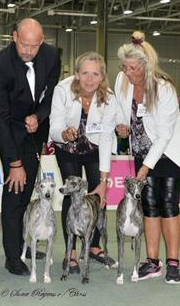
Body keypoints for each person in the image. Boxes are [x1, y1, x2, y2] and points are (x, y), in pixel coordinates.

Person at [114, 31, 180, 285]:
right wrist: (121, 125)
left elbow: (164, 135)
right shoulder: (121, 80)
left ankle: (173, 263)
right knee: (148, 204)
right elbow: (120, 108)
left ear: (146, 66)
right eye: (124, 67)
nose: (128, 73)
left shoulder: (164, 89)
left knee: (168, 202)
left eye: (133, 68)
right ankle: (153, 262)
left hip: (171, 150)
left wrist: (147, 167)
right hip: (141, 147)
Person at [0, 18, 61, 276]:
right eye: (23, 45)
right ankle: (12, 256)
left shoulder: (52, 56)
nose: (28, 51)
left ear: (41, 42)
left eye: (34, 45)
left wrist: (39, 116)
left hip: (34, 131)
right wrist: (13, 163)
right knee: (15, 194)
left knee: (29, 191)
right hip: (9, 131)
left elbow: (52, 94)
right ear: (14, 37)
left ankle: (25, 244)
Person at [49, 52, 117, 273]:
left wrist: (104, 180)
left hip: (95, 149)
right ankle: (71, 252)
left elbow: (107, 137)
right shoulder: (62, 90)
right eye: (85, 73)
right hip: (67, 148)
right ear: (77, 74)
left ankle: (95, 245)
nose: (89, 79)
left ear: (102, 76)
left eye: (95, 74)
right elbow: (54, 127)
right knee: (73, 195)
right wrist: (64, 134)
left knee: (99, 196)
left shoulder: (109, 97)